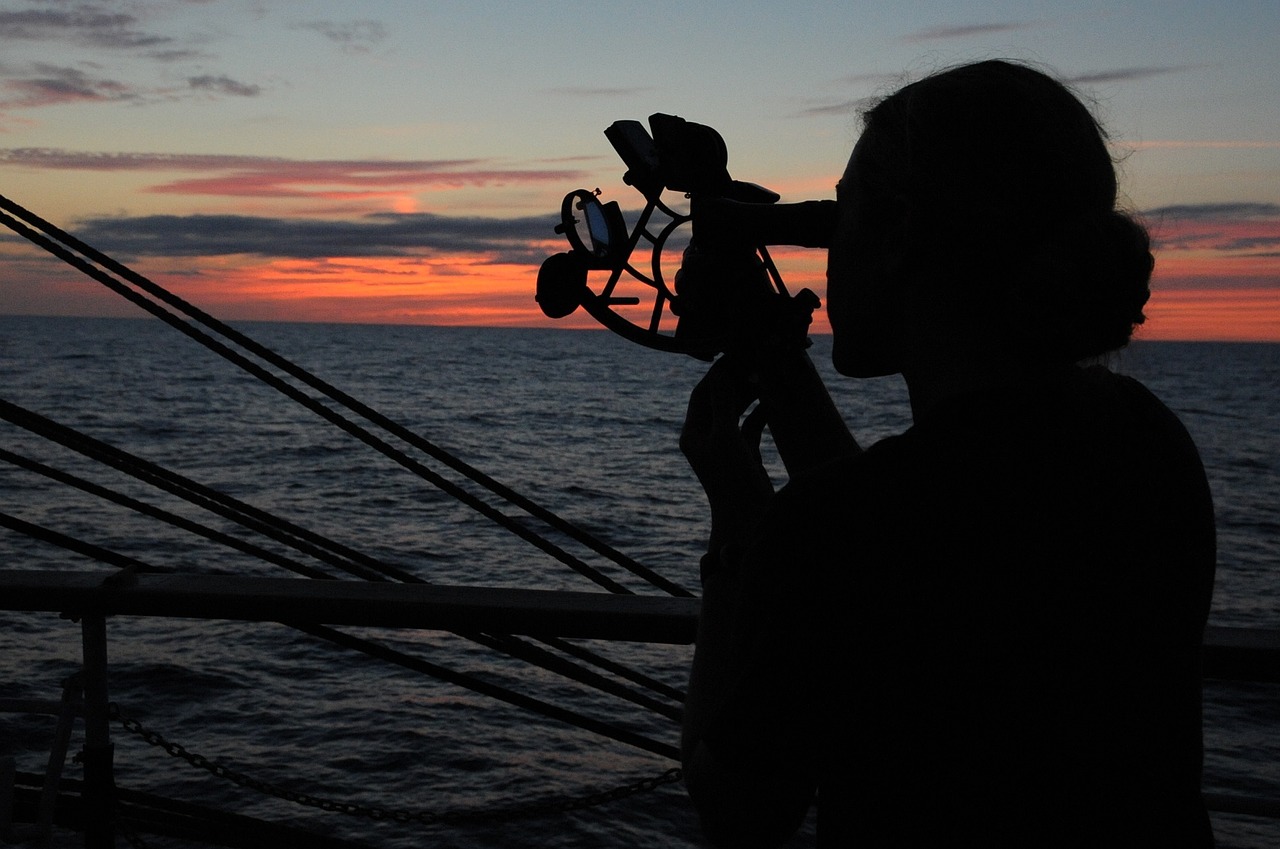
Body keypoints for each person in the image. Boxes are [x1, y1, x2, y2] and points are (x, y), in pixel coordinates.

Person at [678, 60, 1216, 847]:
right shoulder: (1144, 439)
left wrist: (736, 528)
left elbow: (737, 805)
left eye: (841, 216)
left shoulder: (845, 527)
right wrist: (777, 361)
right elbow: (914, 523)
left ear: (897, 235)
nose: (828, 254)